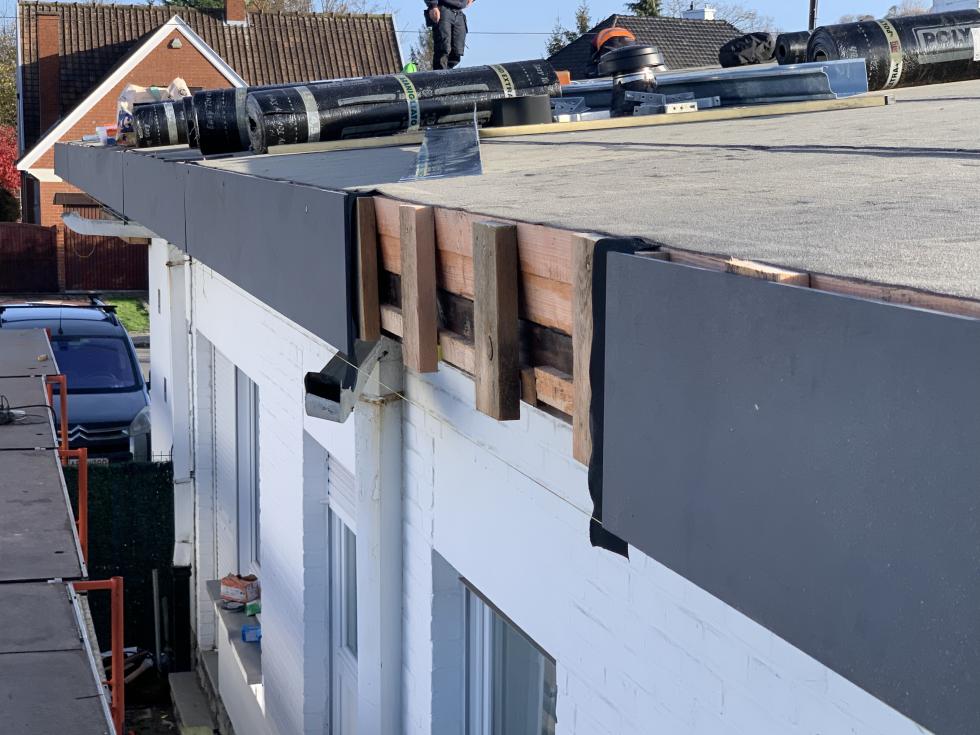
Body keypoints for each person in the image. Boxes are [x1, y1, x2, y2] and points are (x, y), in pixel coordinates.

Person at [425, 0, 473, 70]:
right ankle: (440, 74)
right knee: (443, 49)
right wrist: (433, 6)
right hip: (443, 9)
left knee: (457, 51)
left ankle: (448, 73)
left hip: (459, 12)